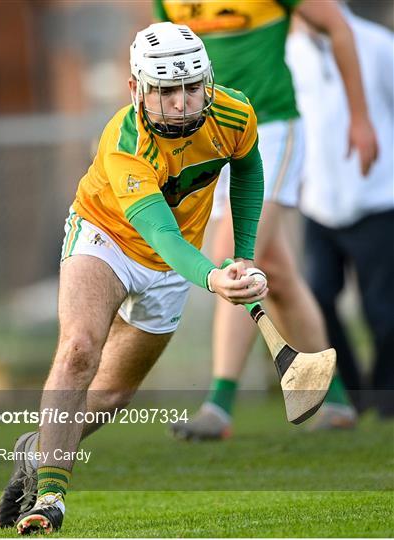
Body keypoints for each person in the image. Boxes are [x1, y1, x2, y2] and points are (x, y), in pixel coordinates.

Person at [0, 22, 271, 534]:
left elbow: (249, 169)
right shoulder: (125, 142)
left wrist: (246, 256)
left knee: (113, 398)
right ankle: (51, 497)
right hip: (108, 237)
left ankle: (37, 450)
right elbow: (160, 233)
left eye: (192, 88)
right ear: (137, 90)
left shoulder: (234, 112)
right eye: (167, 92)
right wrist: (213, 278)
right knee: (79, 348)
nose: (183, 104)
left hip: (173, 263)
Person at [153, 0, 379, 440]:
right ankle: (333, 397)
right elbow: (157, 64)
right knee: (275, 271)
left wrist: (360, 117)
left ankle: (219, 406)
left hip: (271, 130)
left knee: (230, 258)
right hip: (207, 138)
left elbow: (339, 26)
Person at [288, 7, 394, 422]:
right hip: (318, 205)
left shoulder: (377, 44)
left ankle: (387, 399)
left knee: (383, 311)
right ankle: (349, 394)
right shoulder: (287, 54)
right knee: (316, 299)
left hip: (377, 199)